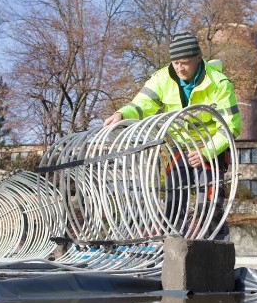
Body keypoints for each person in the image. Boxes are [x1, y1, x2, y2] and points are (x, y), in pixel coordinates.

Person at [103, 32, 240, 240]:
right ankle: (175, 251)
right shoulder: (162, 78)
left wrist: (206, 151)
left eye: (184, 63)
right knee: (174, 203)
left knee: (209, 205)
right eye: (175, 63)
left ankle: (217, 251)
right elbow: (142, 105)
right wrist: (121, 113)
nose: (179, 68)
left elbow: (231, 126)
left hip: (211, 148)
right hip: (179, 146)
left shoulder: (219, 83)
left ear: (198, 58)